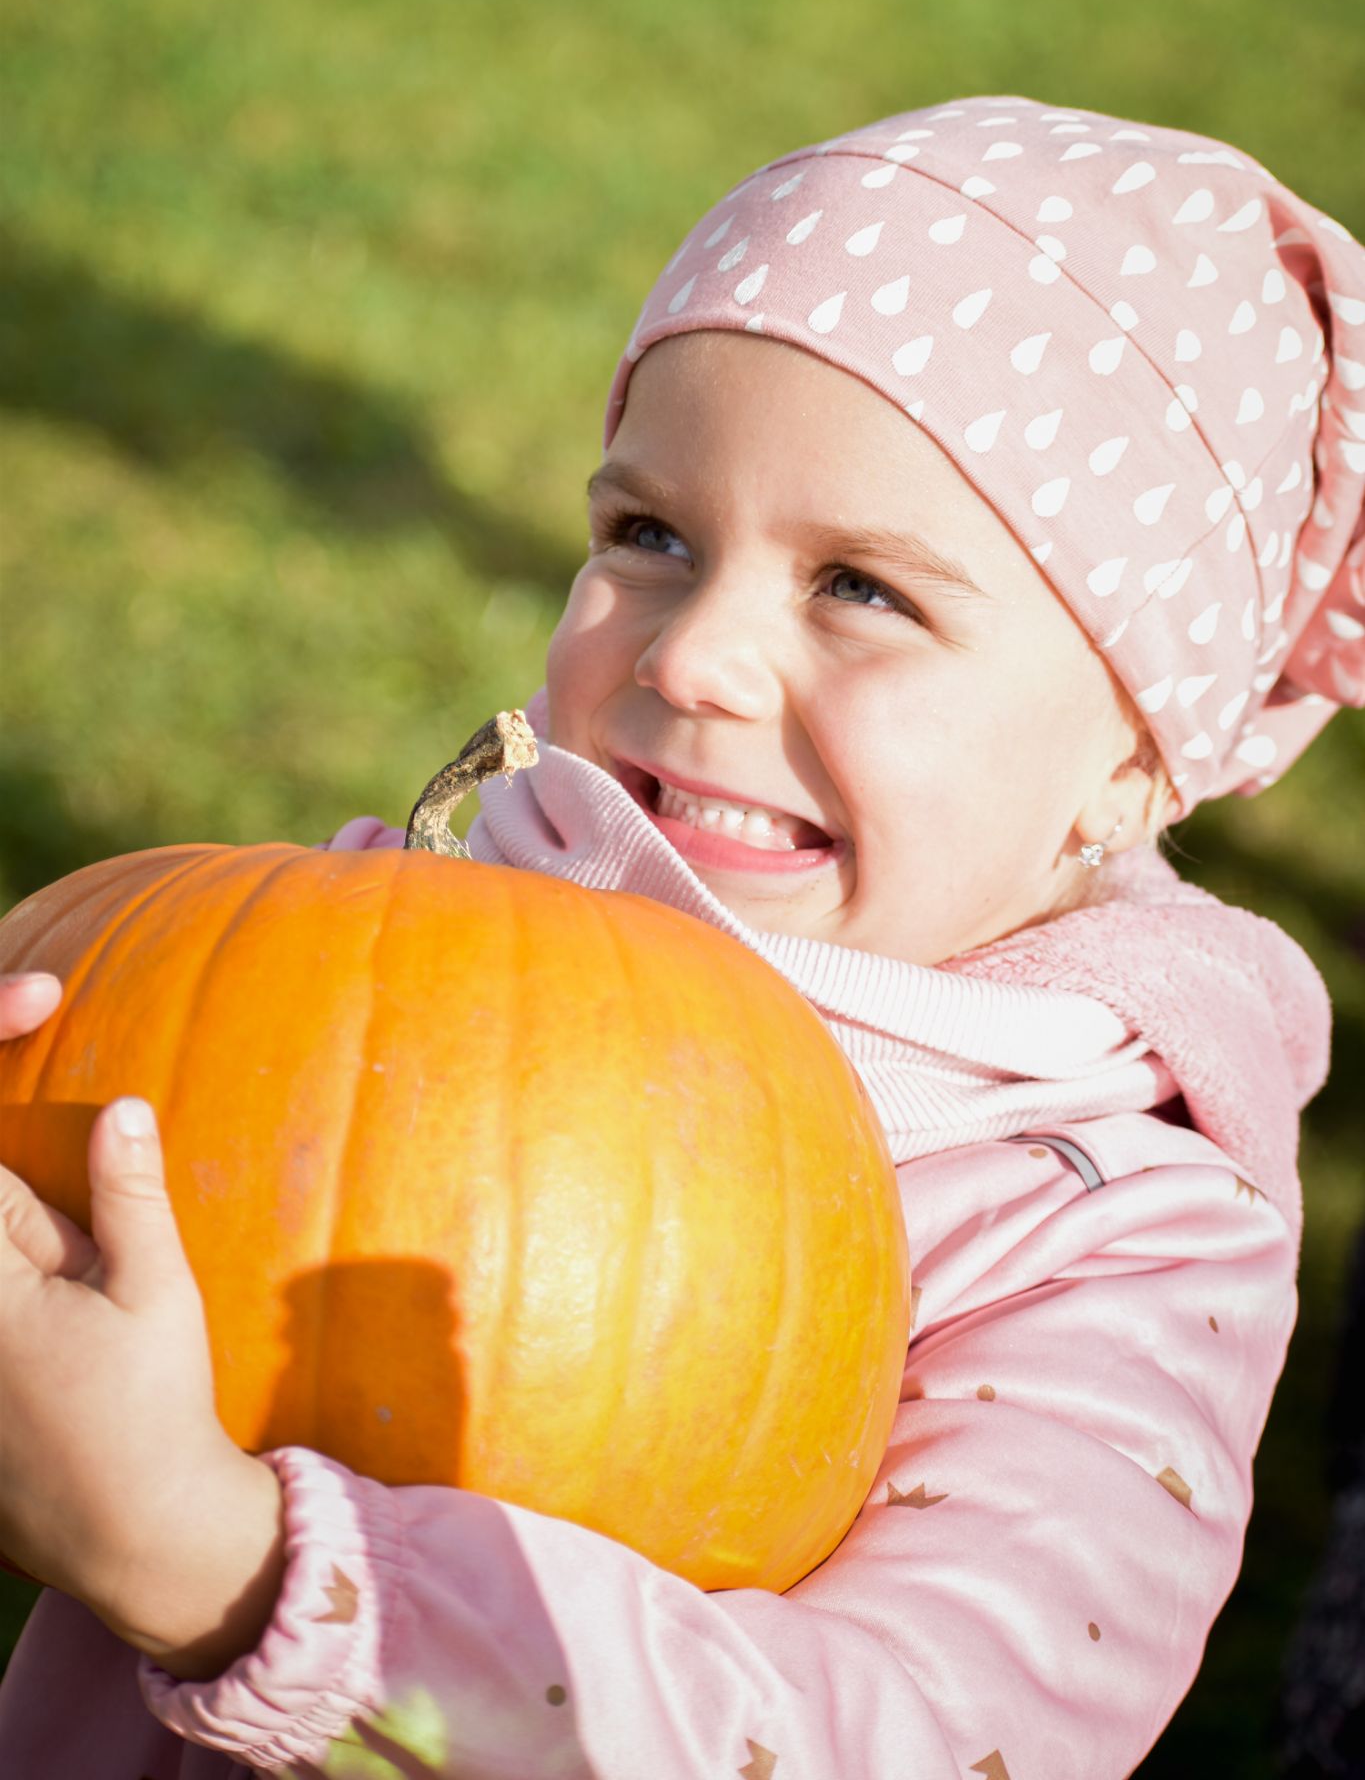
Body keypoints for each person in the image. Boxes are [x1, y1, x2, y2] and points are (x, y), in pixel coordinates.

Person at [0, 93, 1362, 1779]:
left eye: (860, 588)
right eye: (648, 536)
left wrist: (219, 1572)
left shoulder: (1107, 1242)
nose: (691, 657)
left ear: (1134, 758)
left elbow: (924, 1738)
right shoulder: (402, 943)